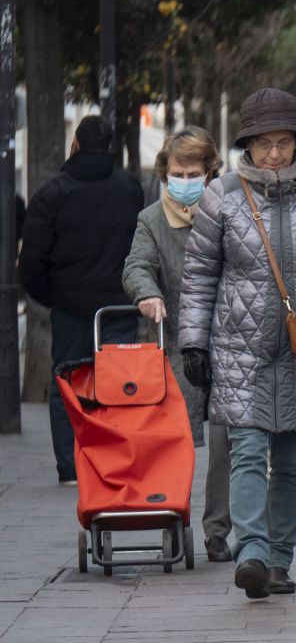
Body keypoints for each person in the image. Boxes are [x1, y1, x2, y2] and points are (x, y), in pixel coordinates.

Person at [180, 87, 296, 599]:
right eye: (264, 144)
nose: (275, 154)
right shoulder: (223, 193)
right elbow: (199, 273)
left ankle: (279, 560)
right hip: (238, 344)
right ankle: (253, 553)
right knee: (246, 450)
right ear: (248, 145)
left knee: (289, 461)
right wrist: (193, 340)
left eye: (283, 143)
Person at [121, 126, 231, 561]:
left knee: (226, 442)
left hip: (227, 343)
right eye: (176, 172)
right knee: (177, 443)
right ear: (165, 173)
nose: (184, 180)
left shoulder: (228, 211)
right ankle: (171, 518)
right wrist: (146, 292)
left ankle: (217, 531)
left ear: (208, 172)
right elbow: (136, 265)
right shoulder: (151, 219)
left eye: (193, 172)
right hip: (175, 347)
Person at [19, 115, 144, 486]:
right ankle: (115, 461)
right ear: (108, 146)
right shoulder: (129, 188)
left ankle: (70, 467)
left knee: (68, 384)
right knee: (120, 388)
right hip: (119, 307)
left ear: (75, 143)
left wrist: (54, 297)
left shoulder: (53, 192)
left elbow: (31, 262)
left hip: (71, 309)